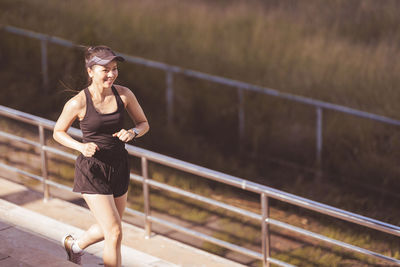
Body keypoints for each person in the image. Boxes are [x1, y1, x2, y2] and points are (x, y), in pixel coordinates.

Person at [53, 45, 149, 266]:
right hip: (92, 169)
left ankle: (74, 245)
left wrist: (132, 132)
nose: (111, 74)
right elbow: (58, 132)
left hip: (119, 166)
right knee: (114, 231)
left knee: (112, 227)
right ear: (90, 71)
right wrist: (80, 147)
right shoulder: (78, 102)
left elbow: (143, 124)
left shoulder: (124, 95)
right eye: (105, 69)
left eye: (114, 69)